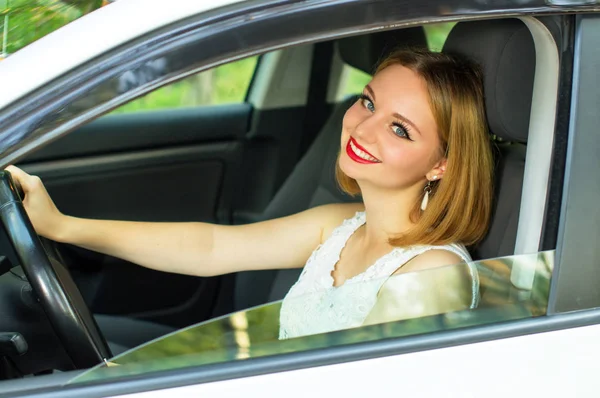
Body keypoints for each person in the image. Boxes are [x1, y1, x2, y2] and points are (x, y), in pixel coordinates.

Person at [6, 48, 493, 340]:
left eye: (400, 129)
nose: (362, 129)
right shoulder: (339, 226)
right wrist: (62, 226)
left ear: (441, 164)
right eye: (368, 101)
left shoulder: (433, 274)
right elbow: (212, 247)